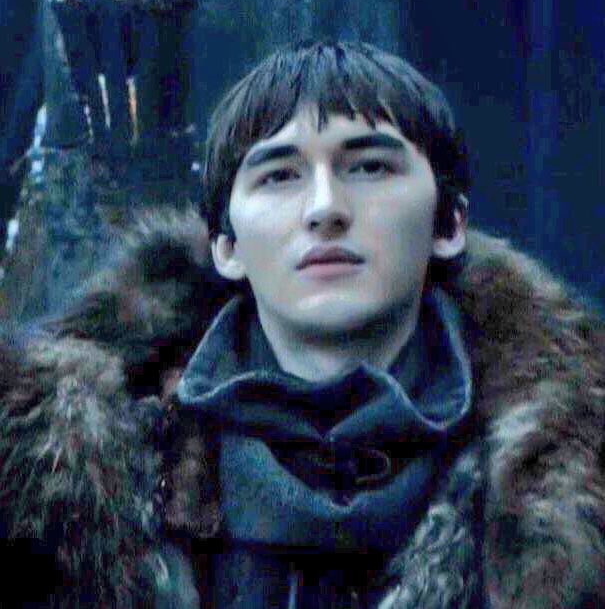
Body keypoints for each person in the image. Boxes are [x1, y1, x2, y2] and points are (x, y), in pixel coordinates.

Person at [1, 40, 605, 609]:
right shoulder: (47, 479)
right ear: (226, 247)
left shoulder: (577, 475)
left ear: (447, 225)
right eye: (279, 175)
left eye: (370, 167)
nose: (325, 210)